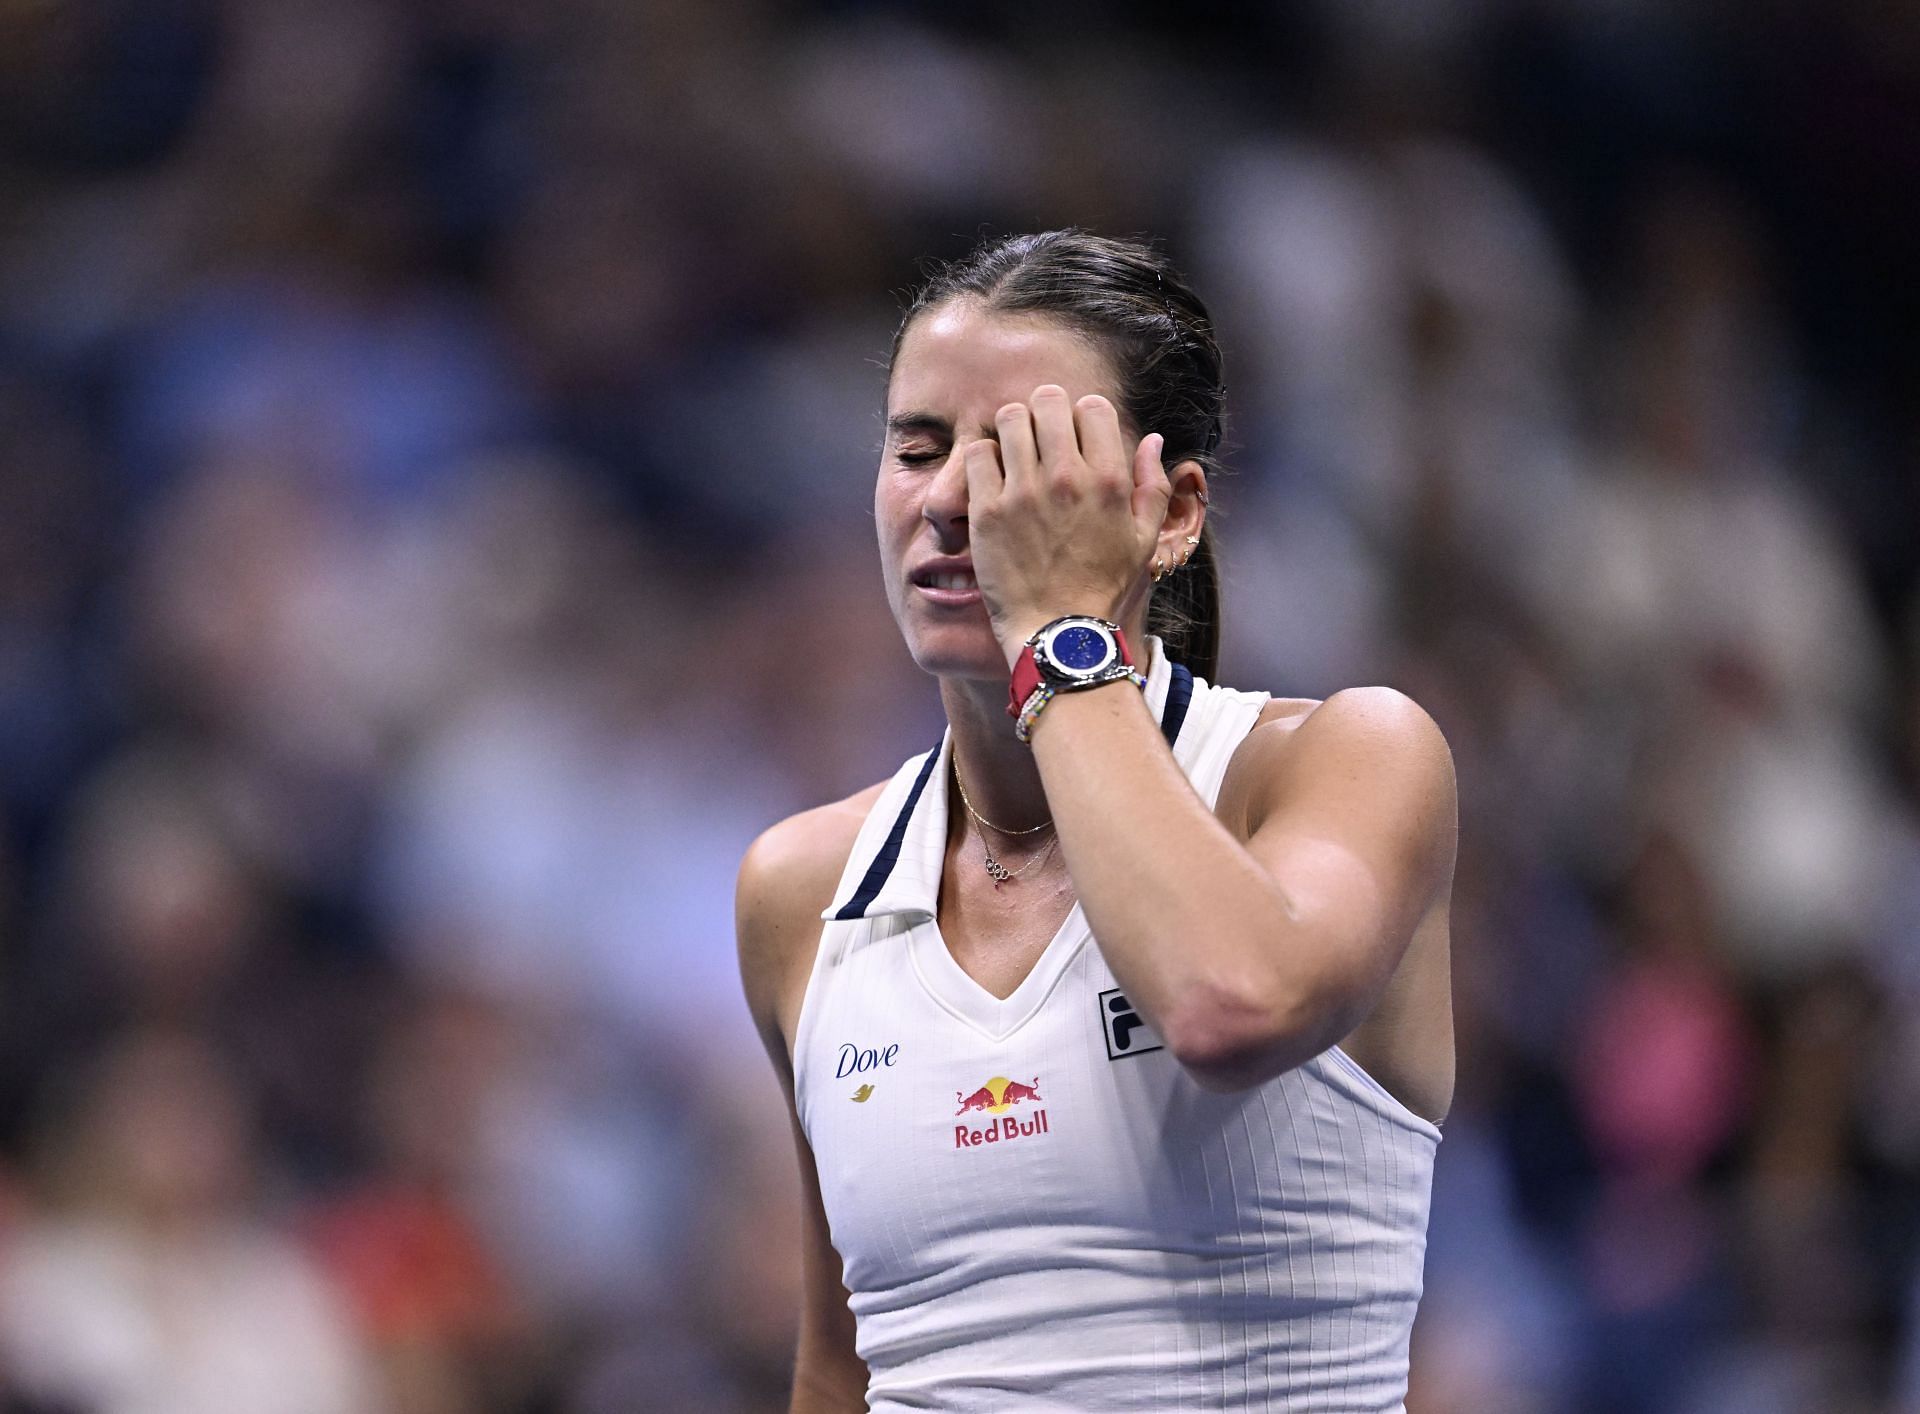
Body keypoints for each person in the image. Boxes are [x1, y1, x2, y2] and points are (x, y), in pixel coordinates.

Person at [737, 230, 1455, 1412]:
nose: (957, 499)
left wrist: (1062, 636)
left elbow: (1229, 1001)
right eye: (918, 448)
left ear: (1170, 512)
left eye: (1029, 460)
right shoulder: (797, 886)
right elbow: (841, 1369)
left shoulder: (1347, 760)